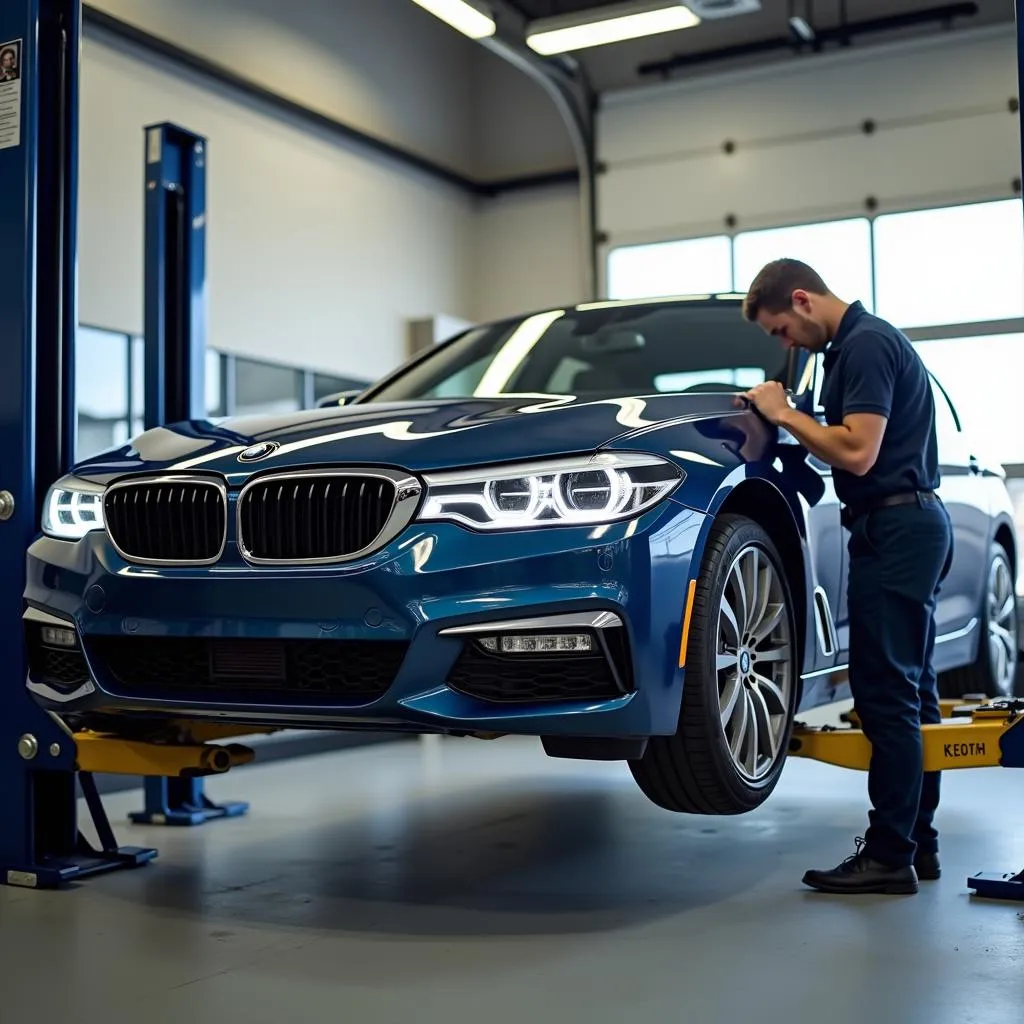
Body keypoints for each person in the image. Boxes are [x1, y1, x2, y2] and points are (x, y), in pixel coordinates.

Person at [740, 258, 953, 896]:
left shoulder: (863, 346)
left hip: (895, 529)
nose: (783, 344)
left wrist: (783, 415)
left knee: (887, 696)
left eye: (780, 329)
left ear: (802, 301)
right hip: (908, 526)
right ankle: (919, 845)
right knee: (913, 697)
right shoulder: (857, 347)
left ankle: (890, 855)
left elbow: (859, 450)